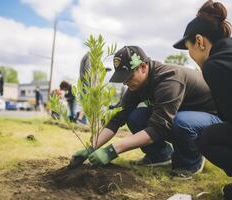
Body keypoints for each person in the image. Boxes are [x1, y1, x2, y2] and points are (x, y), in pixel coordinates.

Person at [72, 46, 222, 178]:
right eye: (123, 78)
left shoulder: (169, 80)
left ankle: (190, 162)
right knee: (135, 117)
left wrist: (112, 151)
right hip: (182, 114)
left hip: (211, 118)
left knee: (180, 121)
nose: (125, 82)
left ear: (143, 67)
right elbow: (116, 119)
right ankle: (160, 155)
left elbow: (158, 128)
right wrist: (90, 147)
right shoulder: (136, 85)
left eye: (128, 77)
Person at [173, 0, 232, 198]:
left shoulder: (216, 66)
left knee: (209, 139)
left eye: (189, 48)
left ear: (200, 41)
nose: (190, 55)